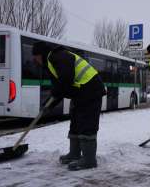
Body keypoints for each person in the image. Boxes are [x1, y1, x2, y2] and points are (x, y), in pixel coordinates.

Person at [32, 42, 105, 171]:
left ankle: (89, 159)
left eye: (35, 56)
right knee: (76, 122)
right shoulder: (50, 64)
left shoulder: (59, 56)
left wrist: (56, 92)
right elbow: (58, 89)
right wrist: (48, 105)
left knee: (86, 123)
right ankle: (74, 153)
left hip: (90, 90)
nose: (35, 60)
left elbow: (65, 80)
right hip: (80, 92)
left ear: (40, 54)